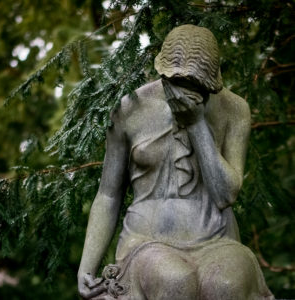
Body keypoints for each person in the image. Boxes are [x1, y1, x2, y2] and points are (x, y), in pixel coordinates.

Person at [78, 24, 274, 300]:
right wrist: (87, 267)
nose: (184, 95)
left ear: (213, 83)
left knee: (226, 286)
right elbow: (109, 194)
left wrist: (197, 125)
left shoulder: (234, 109)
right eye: (176, 85)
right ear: (163, 76)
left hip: (217, 239)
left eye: (196, 89)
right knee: (174, 282)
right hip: (148, 241)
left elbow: (226, 193)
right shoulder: (130, 109)